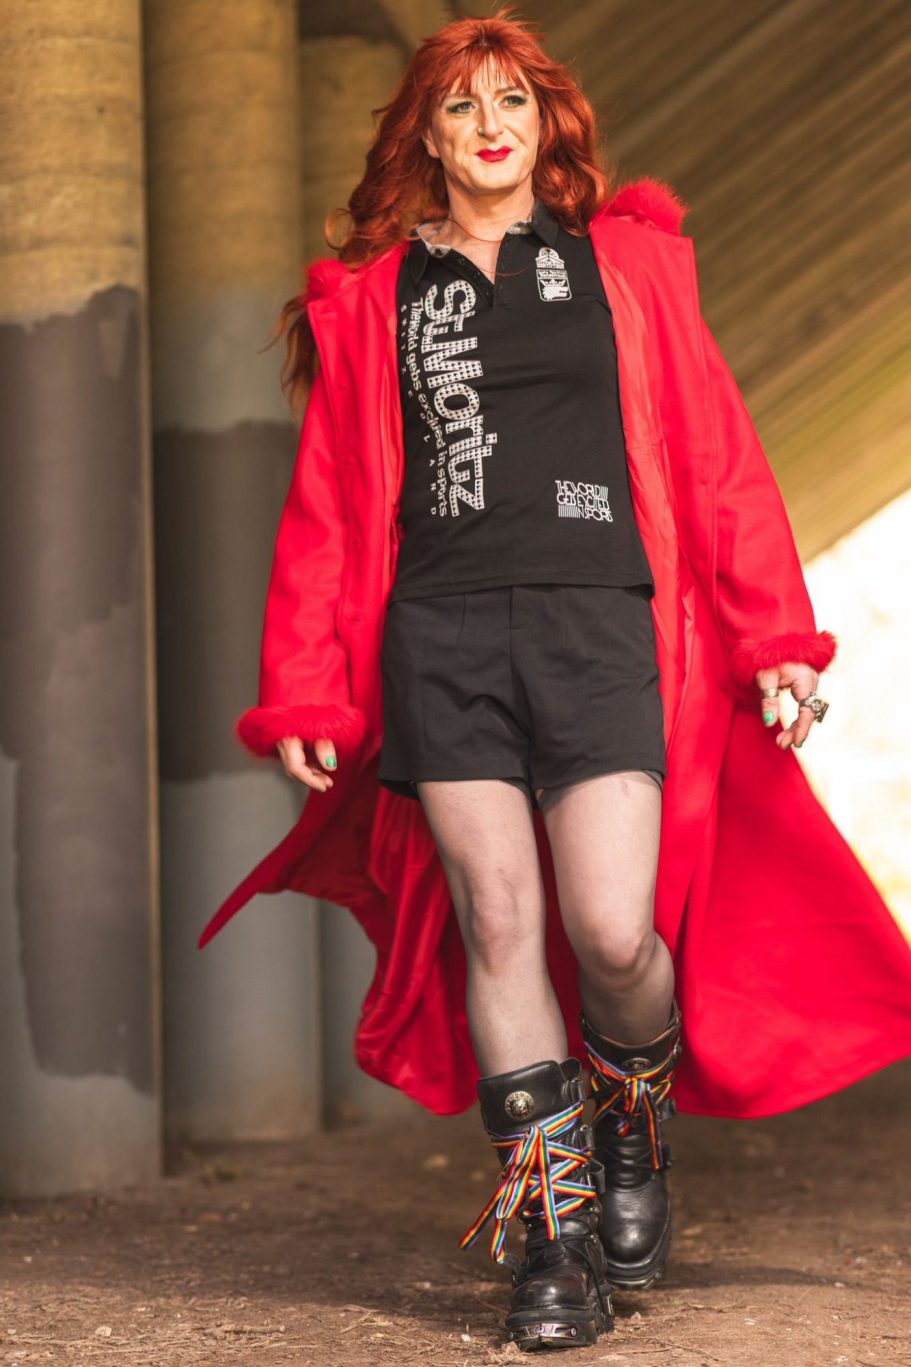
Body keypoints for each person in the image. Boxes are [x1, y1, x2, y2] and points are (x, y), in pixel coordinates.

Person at [198, 8, 911, 1355]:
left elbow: (716, 456)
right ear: (427, 134)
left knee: (613, 931)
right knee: (499, 920)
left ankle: (630, 1123)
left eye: (512, 101)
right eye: (462, 106)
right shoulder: (377, 299)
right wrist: (303, 681)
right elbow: (333, 503)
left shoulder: (623, 265)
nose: (491, 126)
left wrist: (775, 637)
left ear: (545, 124)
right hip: (443, 635)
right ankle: (554, 1239)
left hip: (601, 626)